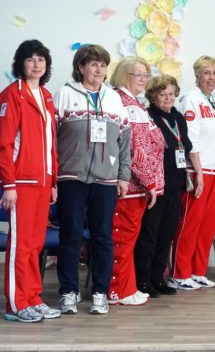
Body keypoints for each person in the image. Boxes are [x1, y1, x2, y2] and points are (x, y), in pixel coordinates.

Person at [54, 44, 131, 315]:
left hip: (105, 179)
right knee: (70, 235)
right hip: (70, 177)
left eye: (102, 65)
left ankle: (100, 292)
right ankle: (69, 292)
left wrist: (123, 176)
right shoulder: (65, 94)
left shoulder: (114, 98)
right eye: (93, 64)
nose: (99, 70)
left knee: (102, 236)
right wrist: (53, 177)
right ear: (81, 67)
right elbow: (50, 139)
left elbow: (125, 142)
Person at [0, 40, 60, 322]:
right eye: (30, 59)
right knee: (20, 245)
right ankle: (16, 304)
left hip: (43, 182)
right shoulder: (12, 94)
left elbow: (51, 143)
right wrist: (9, 185)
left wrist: (54, 181)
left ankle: (33, 298)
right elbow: (4, 144)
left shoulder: (46, 96)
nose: (36, 64)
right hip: (21, 183)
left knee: (35, 244)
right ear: (21, 64)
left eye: (41, 59)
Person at [107, 57, 165, 306]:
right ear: (123, 74)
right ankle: (117, 291)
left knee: (129, 239)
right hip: (130, 185)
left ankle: (127, 286)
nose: (143, 79)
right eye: (137, 74)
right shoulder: (125, 103)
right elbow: (135, 148)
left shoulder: (135, 103)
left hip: (137, 186)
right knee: (122, 239)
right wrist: (149, 182)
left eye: (145, 74)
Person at [169, 56, 215, 290]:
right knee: (190, 224)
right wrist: (199, 173)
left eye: (214, 73)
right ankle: (180, 273)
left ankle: (197, 271)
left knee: (207, 226)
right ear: (197, 76)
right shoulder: (190, 99)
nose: (211, 77)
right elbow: (189, 140)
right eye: (206, 73)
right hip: (198, 170)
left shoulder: (213, 101)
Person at [134, 75, 193, 297]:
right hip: (156, 186)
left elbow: (185, 146)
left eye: (171, 93)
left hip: (176, 185)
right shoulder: (148, 116)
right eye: (162, 94)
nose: (168, 98)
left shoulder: (179, 118)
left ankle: (158, 278)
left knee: (167, 233)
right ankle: (142, 280)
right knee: (150, 234)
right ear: (153, 96)